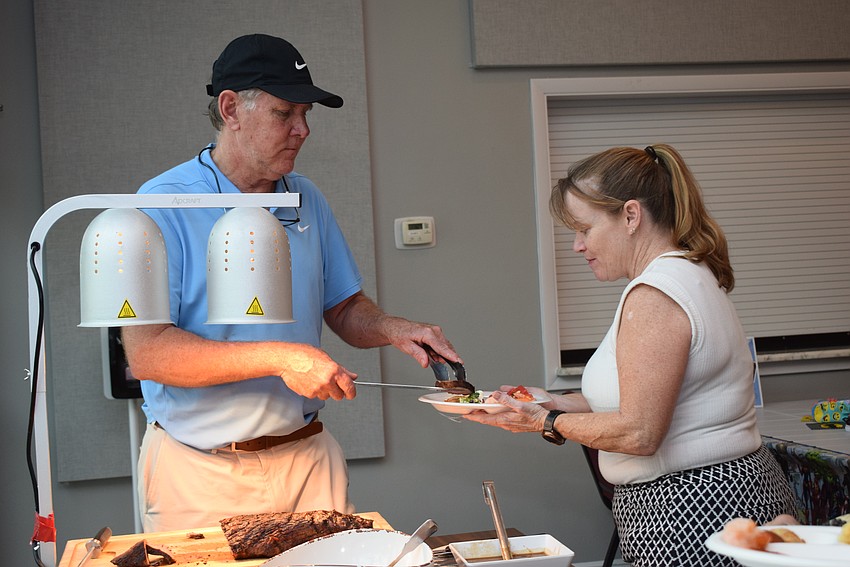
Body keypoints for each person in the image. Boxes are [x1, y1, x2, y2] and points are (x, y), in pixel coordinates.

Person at [121, 33, 461, 532]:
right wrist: (283, 358)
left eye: (307, 115)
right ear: (231, 108)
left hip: (307, 462)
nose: (302, 130)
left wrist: (391, 327)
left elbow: (343, 307)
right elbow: (150, 355)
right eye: (285, 114)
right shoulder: (160, 205)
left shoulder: (305, 198)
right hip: (199, 472)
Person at [464, 144, 794, 566]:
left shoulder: (655, 295)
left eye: (584, 229)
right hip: (718, 498)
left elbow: (640, 432)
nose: (577, 246)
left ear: (631, 216)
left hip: (693, 510)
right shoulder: (684, 273)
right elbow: (637, 398)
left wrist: (543, 421)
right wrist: (550, 402)